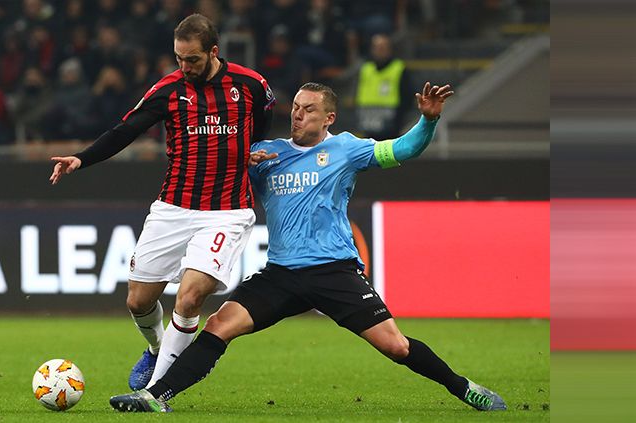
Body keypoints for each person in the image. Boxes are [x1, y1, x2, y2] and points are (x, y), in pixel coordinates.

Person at [109, 81, 507, 413]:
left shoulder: (347, 150)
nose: (297, 115)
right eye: (295, 108)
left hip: (334, 271)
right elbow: (216, 172)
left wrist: (428, 120)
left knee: (396, 346)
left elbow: (402, 150)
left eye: (308, 110)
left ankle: (463, 387)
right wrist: (241, 162)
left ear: (328, 118)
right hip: (281, 274)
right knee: (218, 326)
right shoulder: (269, 154)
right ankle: (156, 396)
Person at [49, 14, 275, 392]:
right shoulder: (168, 90)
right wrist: (80, 159)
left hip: (227, 211)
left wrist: (253, 148)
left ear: (213, 52)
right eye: (179, 59)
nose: (184, 67)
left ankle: (156, 390)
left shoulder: (251, 85)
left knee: (190, 297)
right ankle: (157, 348)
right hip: (173, 207)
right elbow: (126, 131)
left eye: (193, 60)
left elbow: (264, 121)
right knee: (138, 301)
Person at [354, 33, 411, 140]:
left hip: (390, 126)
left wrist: (399, 118)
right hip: (368, 123)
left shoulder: (398, 68)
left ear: (389, 49)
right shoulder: (366, 68)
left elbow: (407, 96)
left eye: (383, 47)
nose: (379, 50)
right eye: (376, 47)